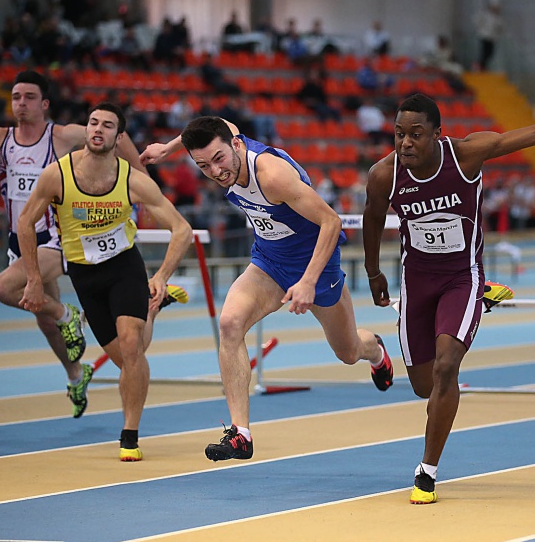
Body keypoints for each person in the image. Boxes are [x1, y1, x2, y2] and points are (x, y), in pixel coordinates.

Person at [362, 70, 535, 504]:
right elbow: (371, 218)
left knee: (446, 368)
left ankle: (427, 472)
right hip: (416, 281)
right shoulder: (385, 175)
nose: (405, 144)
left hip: (461, 277)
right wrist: (373, 272)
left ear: (437, 134)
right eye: (399, 134)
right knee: (423, 386)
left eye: (416, 135)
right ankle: (431, 337)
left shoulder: (467, 155)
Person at [140, 116, 395, 461]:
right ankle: (240, 434)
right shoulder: (224, 141)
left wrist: (307, 281)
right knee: (230, 323)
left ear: (236, 145)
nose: (215, 171)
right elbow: (213, 123)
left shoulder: (272, 176)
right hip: (269, 263)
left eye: (218, 159)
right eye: (203, 166)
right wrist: (168, 148)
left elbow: (331, 222)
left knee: (348, 352)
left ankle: (375, 350)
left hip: (315, 266)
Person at [0, 70, 142, 418]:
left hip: (56, 237)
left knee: (3, 288)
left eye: (29, 97)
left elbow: (117, 135)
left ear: (45, 104)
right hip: (20, 238)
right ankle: (76, 373)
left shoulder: (62, 135)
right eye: (16, 97)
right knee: (44, 320)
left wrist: (139, 176)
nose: (21, 103)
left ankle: (70, 315)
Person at [18, 102, 193, 461]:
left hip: (124, 266)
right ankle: (154, 307)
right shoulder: (57, 175)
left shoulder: (132, 180)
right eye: (93, 122)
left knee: (131, 347)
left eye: (108, 125)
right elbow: (25, 222)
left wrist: (161, 275)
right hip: (84, 274)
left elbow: (182, 229)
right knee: (128, 358)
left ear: (118, 136)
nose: (98, 129)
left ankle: (130, 434)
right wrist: (34, 278)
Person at [474, 0, 504, 71]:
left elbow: (500, 27)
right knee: (485, 52)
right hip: (484, 36)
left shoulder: (498, 18)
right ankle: (480, 65)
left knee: (490, 53)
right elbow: (477, 21)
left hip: (492, 38)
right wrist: (480, 29)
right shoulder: (485, 15)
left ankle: (481, 65)